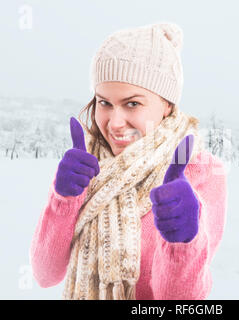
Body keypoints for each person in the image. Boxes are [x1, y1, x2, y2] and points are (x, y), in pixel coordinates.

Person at [29, 22, 228, 300]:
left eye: (132, 103)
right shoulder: (87, 164)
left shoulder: (199, 170)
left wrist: (183, 243)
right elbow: (45, 274)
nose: (115, 122)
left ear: (167, 104)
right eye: (104, 103)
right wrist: (63, 199)